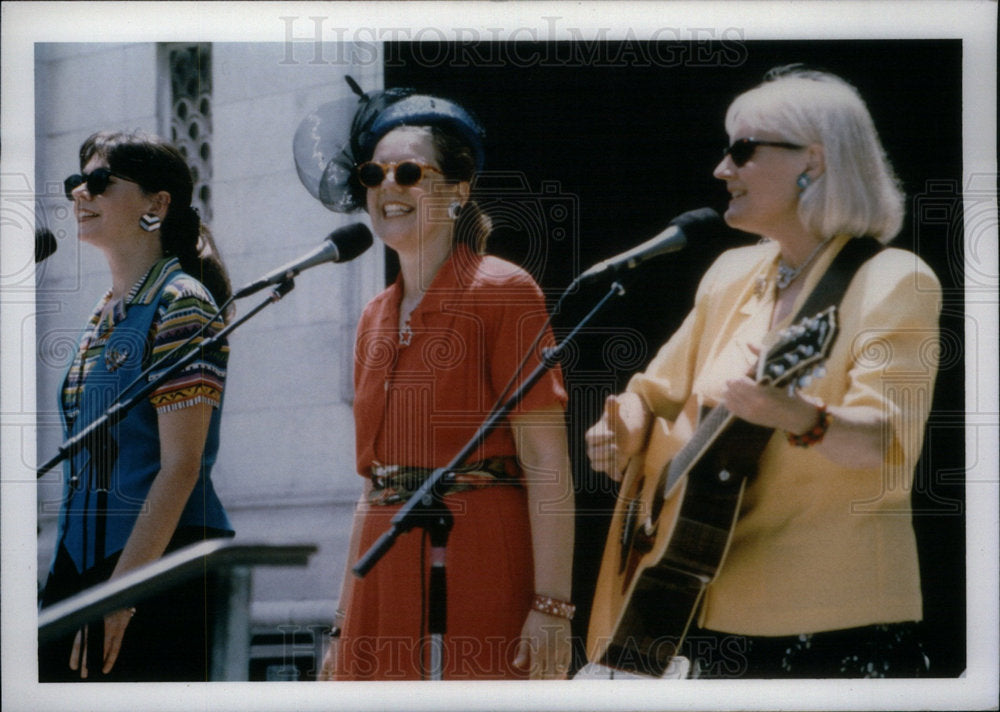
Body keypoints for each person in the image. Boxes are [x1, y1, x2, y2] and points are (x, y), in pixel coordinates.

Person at [585, 66, 941, 678]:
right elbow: (655, 395)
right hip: (699, 609)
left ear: (816, 160)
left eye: (743, 151)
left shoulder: (894, 280)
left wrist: (798, 415)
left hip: (829, 621)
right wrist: (623, 426)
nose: (723, 170)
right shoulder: (730, 275)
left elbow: (882, 442)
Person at [314, 91, 575, 680]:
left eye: (409, 172)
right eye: (373, 174)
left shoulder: (504, 290)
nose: (387, 187)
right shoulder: (373, 316)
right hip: (379, 576)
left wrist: (553, 606)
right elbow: (370, 487)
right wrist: (340, 622)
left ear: (459, 190)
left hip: (477, 554)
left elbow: (547, 459)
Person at [39, 131, 234, 681]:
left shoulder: (182, 304)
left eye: (99, 181)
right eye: (76, 181)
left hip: (158, 573)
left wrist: (120, 597)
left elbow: (181, 466)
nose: (80, 193)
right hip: (79, 571)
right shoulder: (103, 313)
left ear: (157, 203)